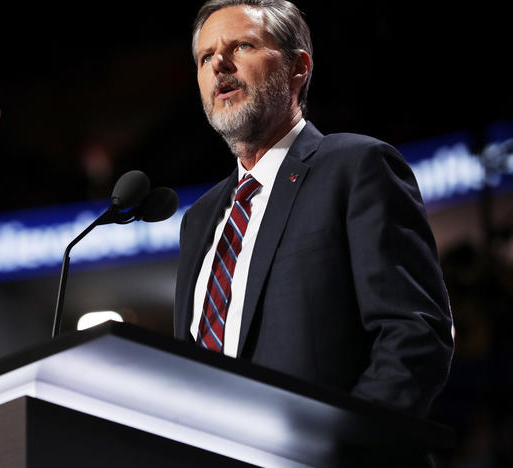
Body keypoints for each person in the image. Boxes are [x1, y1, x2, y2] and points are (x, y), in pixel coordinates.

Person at [174, 0, 454, 421]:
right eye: (206, 57)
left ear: (298, 67)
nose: (220, 65)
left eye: (242, 46)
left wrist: (336, 447)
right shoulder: (199, 219)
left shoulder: (356, 167)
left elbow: (414, 335)